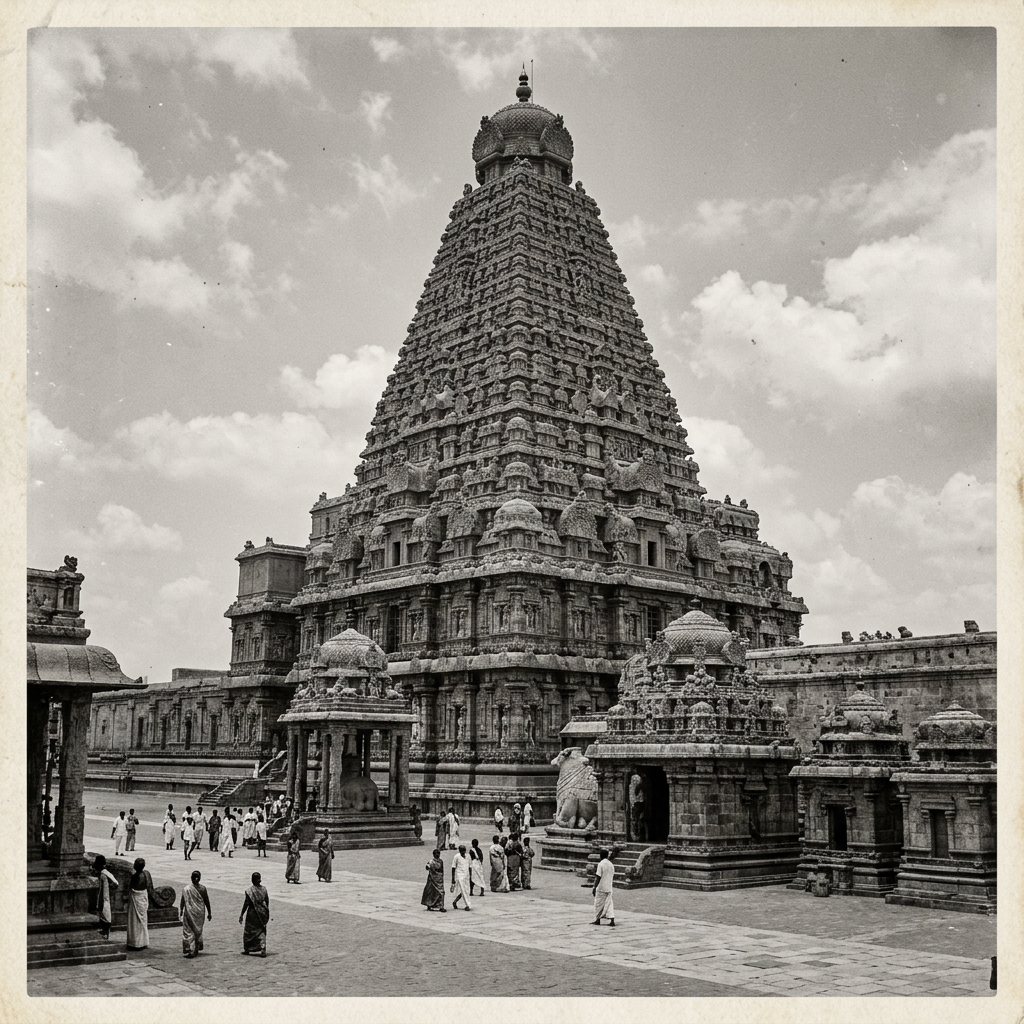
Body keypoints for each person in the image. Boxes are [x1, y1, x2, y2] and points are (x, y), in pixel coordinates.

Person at [179, 869, 211, 958]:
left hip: (190, 912)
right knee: (197, 931)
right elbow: (206, 901)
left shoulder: (186, 889)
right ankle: (195, 948)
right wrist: (209, 912)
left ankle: (191, 950)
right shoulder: (202, 888)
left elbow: (183, 901)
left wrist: (181, 910)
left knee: (189, 931)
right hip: (199, 913)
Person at [239, 871, 270, 957]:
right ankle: (263, 947)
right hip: (262, 913)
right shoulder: (264, 889)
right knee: (262, 930)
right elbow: (267, 901)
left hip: (252, 914)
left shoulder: (250, 891)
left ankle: (248, 949)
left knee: (249, 932)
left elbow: (246, 903)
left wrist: (241, 914)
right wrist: (265, 912)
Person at [126, 858, 152, 950]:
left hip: (136, 897)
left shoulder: (135, 876)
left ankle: (135, 942)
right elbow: (149, 887)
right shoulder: (146, 874)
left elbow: (131, 887)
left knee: (134, 921)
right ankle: (143, 942)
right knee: (143, 921)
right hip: (143, 897)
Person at [93, 854, 118, 940]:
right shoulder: (103, 873)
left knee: (105, 914)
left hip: (104, 898)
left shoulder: (104, 874)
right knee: (103, 914)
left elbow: (115, 883)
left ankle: (105, 932)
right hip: (103, 897)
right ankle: (104, 932)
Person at [592, 848, 615, 926]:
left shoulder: (601, 864)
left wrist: (594, 887)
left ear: (600, 856)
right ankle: (612, 920)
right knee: (609, 904)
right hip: (609, 887)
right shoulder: (611, 864)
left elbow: (598, 876)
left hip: (601, 887)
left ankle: (597, 919)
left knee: (598, 904)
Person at [450, 844, 473, 911]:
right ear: (459, 851)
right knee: (463, 890)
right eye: (462, 851)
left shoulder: (468, 857)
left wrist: (471, 876)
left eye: (464, 850)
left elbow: (470, 867)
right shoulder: (456, 857)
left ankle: (455, 901)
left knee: (466, 890)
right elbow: (453, 867)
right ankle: (468, 905)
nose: (463, 852)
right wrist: (453, 879)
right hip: (459, 875)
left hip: (466, 875)